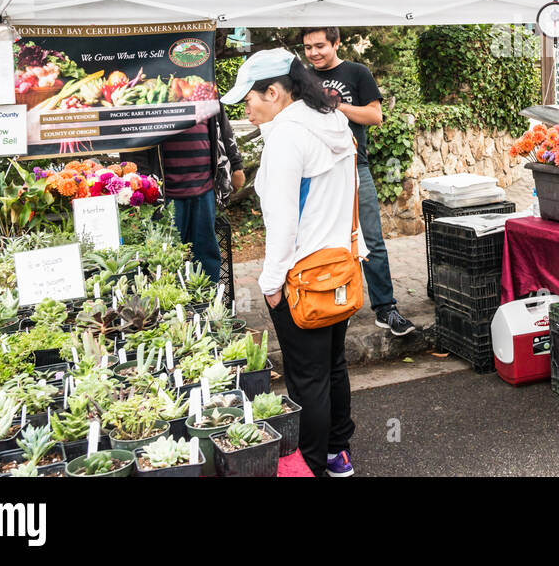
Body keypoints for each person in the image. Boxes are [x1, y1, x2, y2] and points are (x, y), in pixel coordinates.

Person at [221, 47, 359, 477]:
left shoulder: (287, 137)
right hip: (340, 266)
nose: (247, 107)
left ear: (276, 92)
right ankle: (338, 452)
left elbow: (283, 224)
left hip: (301, 276)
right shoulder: (333, 121)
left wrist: (269, 281)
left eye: (251, 98)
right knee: (332, 366)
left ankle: (312, 465)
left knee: (307, 378)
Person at [300, 27, 416, 338]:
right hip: (314, 171)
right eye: (308, 47)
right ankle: (335, 306)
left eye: (320, 45)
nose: (314, 52)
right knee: (325, 241)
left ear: (336, 43)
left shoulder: (356, 72)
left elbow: (374, 116)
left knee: (371, 240)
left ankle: (385, 308)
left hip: (354, 167)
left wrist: (334, 106)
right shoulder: (301, 80)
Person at [153, 107, 245, 284]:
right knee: (166, 257)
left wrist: (236, 164)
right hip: (165, 196)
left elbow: (224, 127)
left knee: (206, 252)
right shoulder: (149, 87)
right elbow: (133, 136)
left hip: (204, 189)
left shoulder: (203, 83)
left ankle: (208, 302)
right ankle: (172, 306)